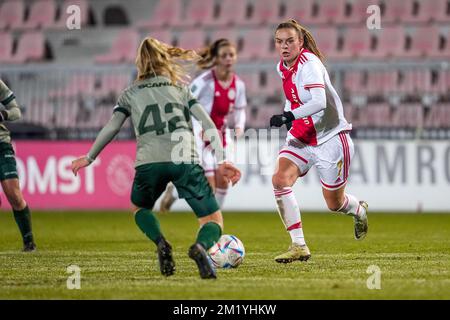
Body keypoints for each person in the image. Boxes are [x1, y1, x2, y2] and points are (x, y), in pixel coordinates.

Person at [71, 37, 241, 279]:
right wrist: (223, 159)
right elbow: (208, 124)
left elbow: (112, 127)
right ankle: (201, 247)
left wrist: (89, 157)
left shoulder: (130, 93)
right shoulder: (180, 88)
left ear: (140, 63)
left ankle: (161, 242)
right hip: (184, 160)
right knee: (212, 219)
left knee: (140, 207)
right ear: (165, 60)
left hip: (149, 161)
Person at [269, 19, 368, 263]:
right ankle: (299, 245)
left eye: (290, 41)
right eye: (279, 42)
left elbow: (319, 102)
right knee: (280, 180)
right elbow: (292, 99)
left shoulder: (309, 64)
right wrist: (289, 115)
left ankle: (358, 209)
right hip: (302, 136)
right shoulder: (281, 67)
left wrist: (289, 116)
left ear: (300, 42)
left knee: (334, 204)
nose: (284, 46)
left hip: (331, 138)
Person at [160, 38, 247, 212]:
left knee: (224, 179)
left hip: (222, 135)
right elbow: (184, 100)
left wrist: (240, 126)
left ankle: (217, 222)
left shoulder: (238, 84)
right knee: (208, 186)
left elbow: (240, 109)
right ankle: (176, 192)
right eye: (224, 55)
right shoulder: (204, 81)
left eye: (232, 55)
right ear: (216, 59)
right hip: (199, 134)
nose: (228, 58)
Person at [0, 79, 36, 252]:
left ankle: (29, 242)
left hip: (1, 144)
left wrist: (3, 115)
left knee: (14, 195)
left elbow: (16, 111)